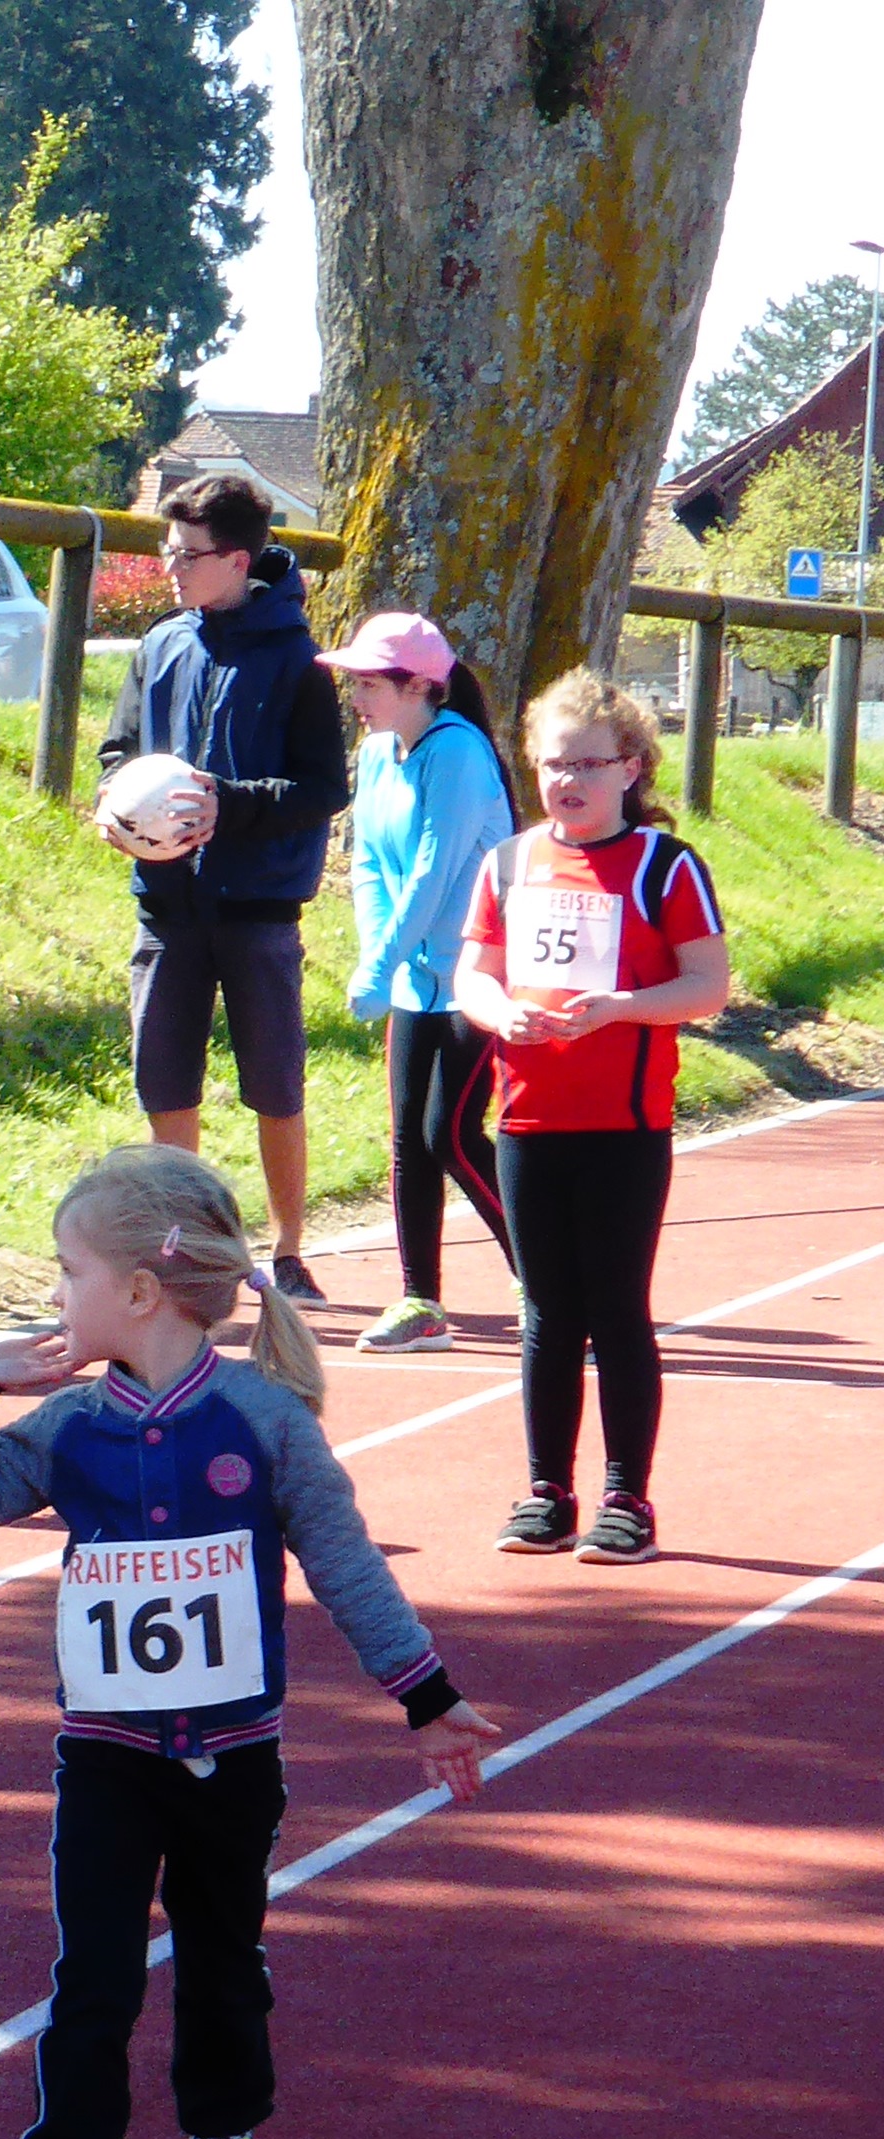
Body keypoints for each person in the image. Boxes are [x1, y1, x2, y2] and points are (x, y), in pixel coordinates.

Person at [0, 1144, 500, 2139]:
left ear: (139, 1290)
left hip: (236, 1754)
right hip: (109, 1758)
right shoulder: (68, 1425)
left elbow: (343, 1562)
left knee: (227, 1958)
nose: (56, 1293)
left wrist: (426, 1695)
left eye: (69, 1270)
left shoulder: (264, 1420)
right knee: (96, 1973)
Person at [455, 670, 731, 1564]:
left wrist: (620, 1009)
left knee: (615, 1308)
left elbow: (708, 986)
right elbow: (473, 975)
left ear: (632, 768)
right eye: (551, 764)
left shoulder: (665, 866)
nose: (567, 781)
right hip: (527, 1121)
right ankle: (547, 1490)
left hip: (623, 1126)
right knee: (546, 1312)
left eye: (587, 764)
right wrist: (500, 1013)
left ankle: (626, 1497)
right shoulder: (508, 863)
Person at [95, 473, 349, 1312]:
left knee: (274, 1084)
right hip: (166, 907)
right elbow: (118, 751)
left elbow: (324, 787)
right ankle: (188, 1245)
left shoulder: (298, 663)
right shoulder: (160, 645)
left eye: (188, 555)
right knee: (165, 1081)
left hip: (259, 908)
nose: (171, 567)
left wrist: (229, 806)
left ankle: (288, 1251)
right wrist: (113, 805)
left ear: (238, 560)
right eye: (168, 551)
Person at [328, 612, 518, 1352]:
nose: (356, 698)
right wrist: (380, 957)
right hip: (416, 976)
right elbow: (370, 864)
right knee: (409, 1139)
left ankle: (545, 1277)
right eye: (355, 683)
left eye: (370, 684)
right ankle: (420, 1300)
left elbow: (436, 871)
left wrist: (382, 963)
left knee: (452, 1134)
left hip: (481, 973)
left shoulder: (459, 753)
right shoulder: (377, 752)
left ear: (418, 686)